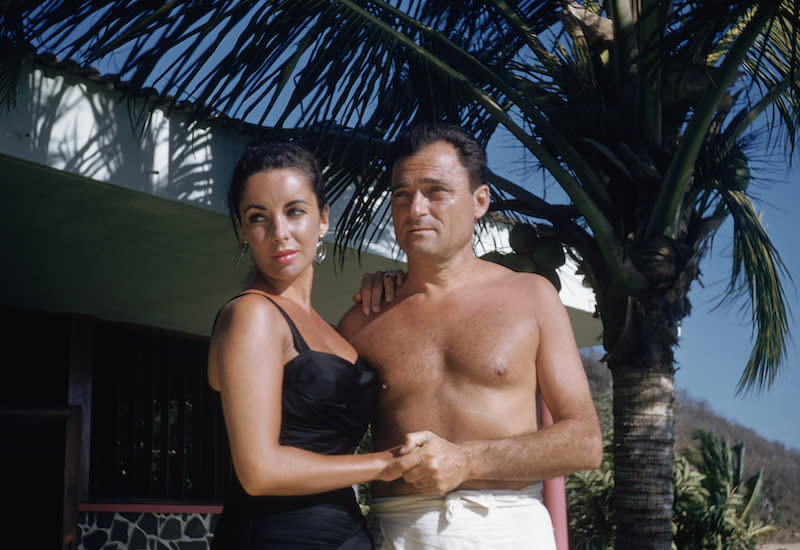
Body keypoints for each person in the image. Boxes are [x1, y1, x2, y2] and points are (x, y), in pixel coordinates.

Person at [338, 123, 603, 549]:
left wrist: (466, 460)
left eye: (435, 191)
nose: (416, 209)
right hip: (399, 533)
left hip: (509, 529)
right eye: (401, 194)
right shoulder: (363, 321)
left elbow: (585, 442)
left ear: (480, 201)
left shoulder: (531, 297)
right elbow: (320, 444)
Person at [207, 142, 410, 549]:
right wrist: (386, 464)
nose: (279, 232)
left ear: (323, 219)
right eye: (258, 217)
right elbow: (259, 471)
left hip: (346, 534)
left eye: (294, 211)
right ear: (244, 231)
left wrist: (398, 286)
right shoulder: (253, 315)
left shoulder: (333, 330)